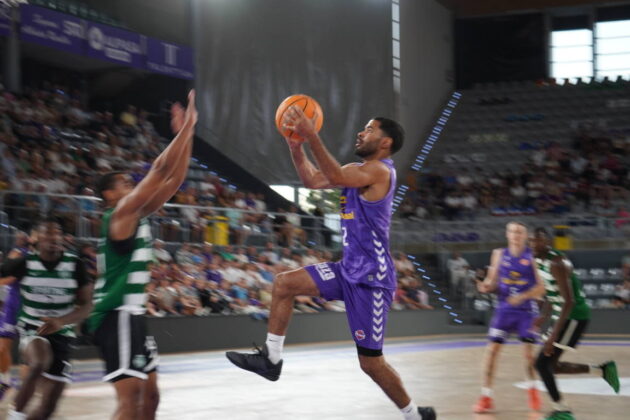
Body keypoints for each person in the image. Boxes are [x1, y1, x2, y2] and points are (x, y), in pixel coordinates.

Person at [226, 107, 435, 420]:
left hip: (371, 280)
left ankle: (414, 415)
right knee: (284, 283)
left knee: (371, 364)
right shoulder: (355, 170)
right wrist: (296, 148)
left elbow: (335, 176)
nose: (361, 132)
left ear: (386, 142)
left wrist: (312, 135)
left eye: (369, 129)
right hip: (346, 269)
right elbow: (312, 180)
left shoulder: (381, 172)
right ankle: (271, 359)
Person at [86, 91, 197, 419]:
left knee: (150, 398)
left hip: (132, 315)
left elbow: (174, 179)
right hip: (116, 313)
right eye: (123, 183)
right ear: (109, 195)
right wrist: (184, 129)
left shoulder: (138, 213)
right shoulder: (119, 213)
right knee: (130, 401)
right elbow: (160, 169)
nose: (130, 184)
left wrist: (189, 132)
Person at [0, 218, 92, 419]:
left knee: (47, 408)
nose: (54, 237)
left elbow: (87, 305)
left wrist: (61, 321)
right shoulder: (24, 263)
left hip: (63, 331)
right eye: (48, 233)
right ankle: (15, 415)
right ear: (37, 239)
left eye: (57, 233)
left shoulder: (75, 265)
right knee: (39, 362)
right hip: (32, 326)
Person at [531, 228, 619, 420]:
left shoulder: (557, 262)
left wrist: (553, 335)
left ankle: (562, 411)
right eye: (532, 241)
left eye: (539, 241)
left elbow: (569, 301)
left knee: (541, 364)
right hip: (562, 314)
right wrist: (543, 316)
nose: (534, 245)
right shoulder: (538, 261)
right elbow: (551, 292)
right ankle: (603, 370)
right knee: (551, 366)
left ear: (547, 242)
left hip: (574, 315)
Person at [474, 221, 546, 414]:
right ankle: (486, 397)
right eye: (512, 231)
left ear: (525, 236)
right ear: (507, 234)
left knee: (528, 354)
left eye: (519, 232)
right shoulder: (498, 254)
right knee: (491, 352)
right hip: (504, 310)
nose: (515, 235)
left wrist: (522, 296)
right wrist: (486, 286)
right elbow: (492, 281)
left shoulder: (532, 256)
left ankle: (533, 390)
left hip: (527, 311)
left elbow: (542, 288)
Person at [0, 231, 31, 399]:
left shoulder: (24, 255)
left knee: (26, 351)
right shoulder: (16, 252)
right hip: (12, 304)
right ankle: (4, 381)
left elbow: (7, 279)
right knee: (2, 347)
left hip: (26, 305)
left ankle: (23, 391)